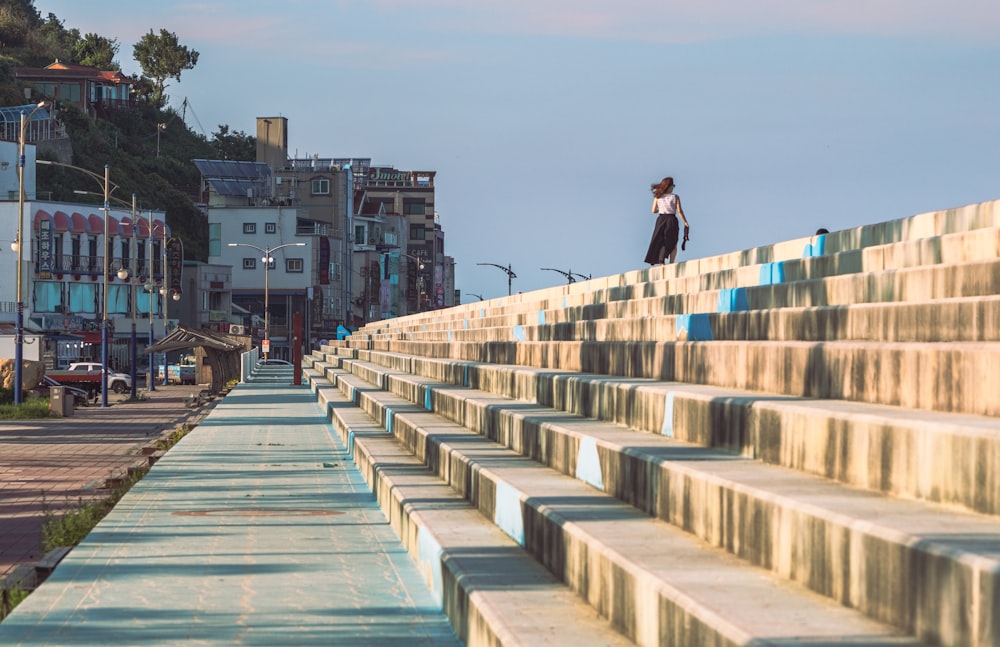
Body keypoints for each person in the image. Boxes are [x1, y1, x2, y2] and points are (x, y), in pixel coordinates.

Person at [644, 176, 690, 265]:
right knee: (673, 241)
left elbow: (653, 210)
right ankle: (671, 262)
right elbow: (679, 211)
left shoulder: (658, 197)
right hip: (671, 220)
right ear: (669, 186)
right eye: (673, 186)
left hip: (660, 219)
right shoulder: (675, 197)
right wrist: (685, 221)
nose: (673, 187)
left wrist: (661, 209)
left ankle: (661, 261)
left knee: (661, 240)